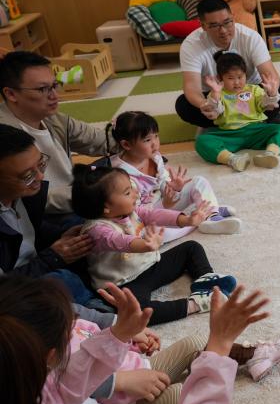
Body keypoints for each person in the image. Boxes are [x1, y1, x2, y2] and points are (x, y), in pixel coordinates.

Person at [0, 276, 272, 404]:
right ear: (50, 357)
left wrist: (118, 334)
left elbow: (57, 391)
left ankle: (239, 356)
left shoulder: (16, 393)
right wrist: (220, 346)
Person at [71, 164, 236, 325]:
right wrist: (146, 245)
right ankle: (196, 304)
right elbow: (121, 242)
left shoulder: (131, 210)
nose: (136, 193)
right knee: (137, 313)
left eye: (132, 187)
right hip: (123, 283)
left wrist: (187, 220)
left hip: (149, 265)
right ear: (106, 207)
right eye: (128, 192)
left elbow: (155, 214)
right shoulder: (97, 230)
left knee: (191, 247)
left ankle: (206, 282)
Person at [65, 314, 280, 404]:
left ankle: (253, 356)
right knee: (186, 394)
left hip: (143, 367)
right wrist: (119, 381)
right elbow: (68, 386)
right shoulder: (54, 364)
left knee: (196, 342)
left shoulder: (77, 324)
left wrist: (132, 340)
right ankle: (212, 375)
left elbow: (108, 338)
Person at [0, 51, 113, 218]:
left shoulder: (52, 118)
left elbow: (103, 141)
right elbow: (28, 200)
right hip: (46, 214)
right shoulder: (6, 138)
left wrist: (134, 134)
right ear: (11, 94)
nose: (54, 96)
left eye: (54, 86)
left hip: (73, 191)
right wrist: (92, 194)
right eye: (42, 89)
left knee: (128, 162)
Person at [0, 125, 94, 307]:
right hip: (13, 290)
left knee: (84, 226)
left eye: (41, 163)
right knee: (62, 281)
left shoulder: (19, 195)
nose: (40, 176)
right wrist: (53, 257)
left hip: (36, 264)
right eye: (27, 175)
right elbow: (3, 289)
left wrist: (60, 237)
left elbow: (28, 232)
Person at [109, 111, 240, 237]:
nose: (155, 143)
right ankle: (198, 218)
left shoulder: (154, 157)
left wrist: (174, 187)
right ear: (126, 145)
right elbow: (136, 214)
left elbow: (164, 183)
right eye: (147, 140)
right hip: (147, 216)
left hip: (165, 203)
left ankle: (211, 213)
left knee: (198, 181)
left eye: (156, 136)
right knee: (152, 235)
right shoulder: (122, 176)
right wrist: (164, 204)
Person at [175, 0, 280, 128]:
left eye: (227, 22)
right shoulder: (191, 45)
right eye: (214, 25)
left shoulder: (250, 37)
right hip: (218, 99)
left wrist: (271, 93)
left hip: (251, 94)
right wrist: (205, 105)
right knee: (183, 104)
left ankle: (233, 125)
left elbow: (270, 75)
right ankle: (257, 121)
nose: (223, 30)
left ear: (233, 17)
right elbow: (192, 87)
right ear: (203, 26)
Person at [194, 52, 280, 171]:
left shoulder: (254, 90)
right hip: (230, 134)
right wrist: (215, 94)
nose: (237, 82)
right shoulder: (217, 94)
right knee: (202, 141)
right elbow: (215, 111)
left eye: (240, 77)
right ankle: (233, 159)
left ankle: (270, 154)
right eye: (230, 78)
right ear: (220, 78)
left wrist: (272, 93)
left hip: (256, 130)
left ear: (246, 75)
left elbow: (267, 105)